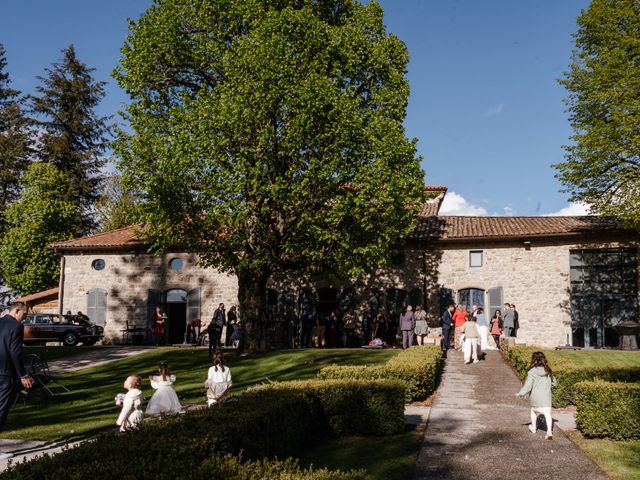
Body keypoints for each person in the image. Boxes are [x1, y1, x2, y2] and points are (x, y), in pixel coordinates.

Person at [0, 302, 34, 459]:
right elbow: (15, 352)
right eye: (24, 315)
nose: (24, 319)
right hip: (6, 374)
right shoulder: (16, 326)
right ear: (17, 311)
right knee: (1, 409)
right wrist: (23, 375)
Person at [516, 351, 556, 440]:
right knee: (548, 414)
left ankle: (533, 428)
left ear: (533, 360)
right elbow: (554, 383)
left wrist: (521, 393)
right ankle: (549, 432)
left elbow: (528, 385)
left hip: (535, 398)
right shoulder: (548, 370)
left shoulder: (532, 371)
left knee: (533, 412)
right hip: (546, 398)